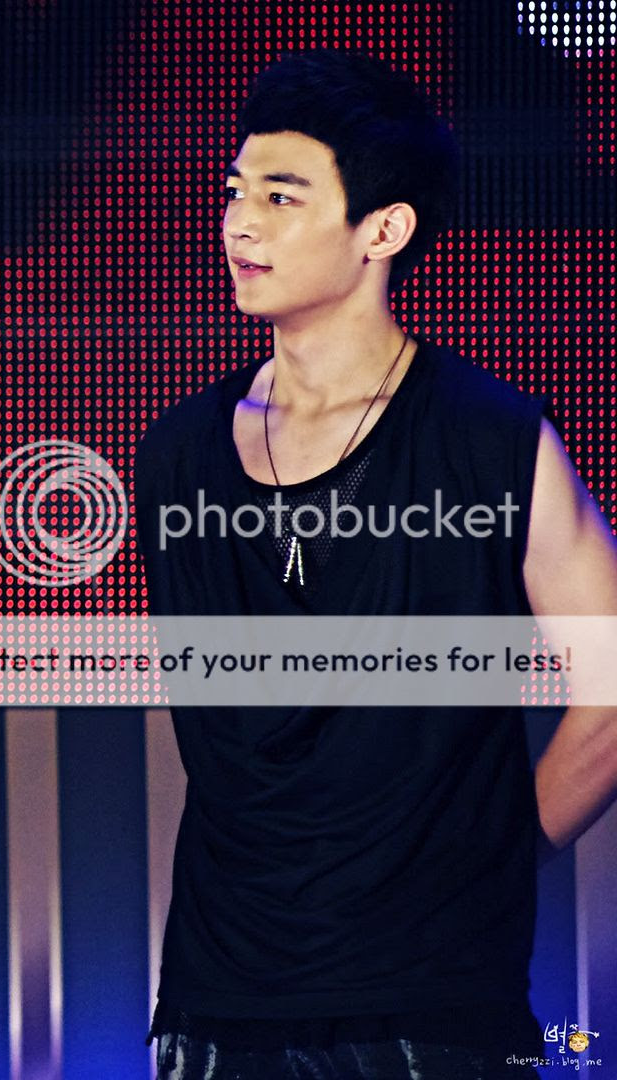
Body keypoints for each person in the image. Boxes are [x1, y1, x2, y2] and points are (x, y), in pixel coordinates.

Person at [133, 48, 617, 1080]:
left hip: (431, 1000)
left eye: (281, 196)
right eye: (234, 191)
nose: (240, 223)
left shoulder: (490, 438)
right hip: (217, 994)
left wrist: (482, 861)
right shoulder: (176, 452)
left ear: (382, 230)